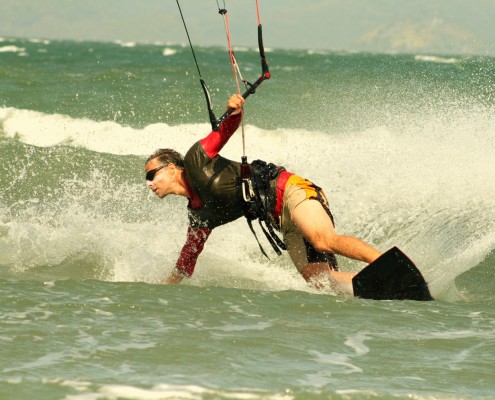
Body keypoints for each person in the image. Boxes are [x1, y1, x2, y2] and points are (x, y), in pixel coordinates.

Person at [145, 94, 381, 292]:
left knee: (322, 240)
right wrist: (159, 290)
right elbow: (186, 262)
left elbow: (225, 129)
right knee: (317, 279)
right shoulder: (199, 215)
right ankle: (378, 287)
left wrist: (232, 111)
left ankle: (384, 265)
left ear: (172, 168)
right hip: (279, 220)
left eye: (151, 175)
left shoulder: (195, 160)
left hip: (288, 191)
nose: (149, 183)